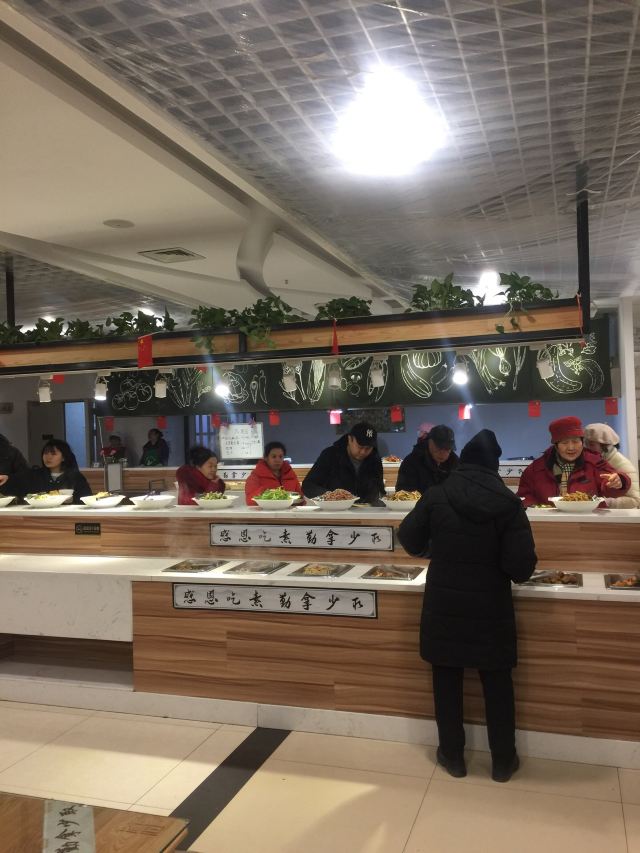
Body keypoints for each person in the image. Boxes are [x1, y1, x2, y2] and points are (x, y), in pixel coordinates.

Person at [398, 429, 537, 783]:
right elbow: (521, 568)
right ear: (494, 465)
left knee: (446, 677)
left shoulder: (437, 494)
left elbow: (409, 537)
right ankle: (503, 761)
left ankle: (453, 756)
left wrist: (436, 550)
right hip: (491, 606)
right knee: (497, 681)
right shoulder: (509, 504)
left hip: (444, 603)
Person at [517, 416, 630, 506]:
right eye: (564, 443)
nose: (571, 448)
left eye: (576, 441)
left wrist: (618, 482)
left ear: (582, 442)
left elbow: (610, 485)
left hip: (589, 521)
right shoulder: (536, 468)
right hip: (550, 523)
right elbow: (524, 495)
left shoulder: (594, 462)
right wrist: (537, 508)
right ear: (556, 446)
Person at [302, 422, 385, 504]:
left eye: (368, 448)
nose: (363, 452)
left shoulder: (375, 459)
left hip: (366, 510)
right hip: (334, 509)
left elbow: (380, 489)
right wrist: (331, 496)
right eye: (360, 447)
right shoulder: (330, 455)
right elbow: (308, 486)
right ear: (350, 439)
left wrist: (378, 499)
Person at [18, 439, 91, 504]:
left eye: (53, 454)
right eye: (45, 453)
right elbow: (24, 498)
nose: (48, 457)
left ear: (63, 457)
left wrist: (72, 501)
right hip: (40, 512)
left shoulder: (75, 477)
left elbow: (86, 499)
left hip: (67, 513)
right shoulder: (34, 476)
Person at [584, 423, 640, 508]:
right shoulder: (591, 462)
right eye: (585, 443)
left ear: (605, 446)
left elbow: (635, 500)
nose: (586, 447)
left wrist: (603, 502)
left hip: (620, 515)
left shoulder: (622, 464)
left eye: (591, 444)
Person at [396, 424, 458, 495]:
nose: (443, 453)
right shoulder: (411, 462)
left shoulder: (454, 461)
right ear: (430, 442)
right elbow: (402, 493)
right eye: (439, 447)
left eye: (447, 449)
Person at [245, 441, 302, 506]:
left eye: (280, 457)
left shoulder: (290, 475)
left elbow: (301, 499)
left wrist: (299, 500)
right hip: (266, 511)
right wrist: (265, 491)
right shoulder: (255, 477)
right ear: (266, 458)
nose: (277, 460)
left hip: (290, 511)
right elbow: (250, 501)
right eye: (274, 456)